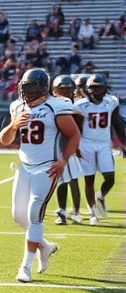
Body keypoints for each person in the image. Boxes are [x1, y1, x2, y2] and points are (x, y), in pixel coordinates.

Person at [0, 69, 80, 283]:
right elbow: (5, 140)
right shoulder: (17, 106)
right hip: (24, 165)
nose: (29, 92)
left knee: (35, 214)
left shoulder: (56, 106)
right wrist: (14, 125)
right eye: (26, 88)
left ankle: (26, 266)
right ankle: (44, 245)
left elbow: (74, 134)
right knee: (18, 215)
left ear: (44, 88)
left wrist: (63, 160)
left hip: (46, 167)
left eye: (33, 88)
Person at [74, 74, 126, 225]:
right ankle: (92, 213)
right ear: (88, 89)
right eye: (92, 87)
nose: (96, 90)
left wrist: (123, 144)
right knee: (89, 179)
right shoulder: (80, 105)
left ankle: (100, 197)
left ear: (104, 88)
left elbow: (116, 124)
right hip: (86, 144)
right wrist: (76, 147)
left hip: (104, 144)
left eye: (99, 87)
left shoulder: (112, 102)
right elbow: (76, 129)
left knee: (110, 177)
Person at [50, 75, 84, 225]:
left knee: (71, 181)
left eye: (67, 89)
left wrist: (76, 148)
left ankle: (74, 212)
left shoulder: (74, 107)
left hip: (66, 148)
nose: (64, 92)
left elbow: (77, 131)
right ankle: (63, 211)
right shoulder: (53, 105)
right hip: (56, 148)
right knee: (62, 181)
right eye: (61, 89)